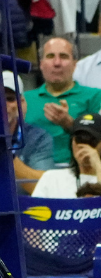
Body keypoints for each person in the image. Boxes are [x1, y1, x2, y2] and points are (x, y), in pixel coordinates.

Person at [25, 36, 101, 164]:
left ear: (75, 64)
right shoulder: (25, 99)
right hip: (31, 171)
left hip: (78, 168)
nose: (57, 63)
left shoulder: (95, 96)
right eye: (50, 56)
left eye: (64, 56)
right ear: (41, 63)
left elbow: (99, 141)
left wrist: (70, 124)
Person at [7, 71, 56, 194]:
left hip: (24, 209)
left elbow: (43, 187)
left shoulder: (38, 137)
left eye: (10, 99)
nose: (3, 104)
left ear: (21, 103)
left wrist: (2, 152)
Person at [32, 114, 101, 197]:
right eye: (79, 139)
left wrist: (97, 165)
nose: (84, 146)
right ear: (71, 143)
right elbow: (35, 209)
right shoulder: (51, 178)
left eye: (92, 140)